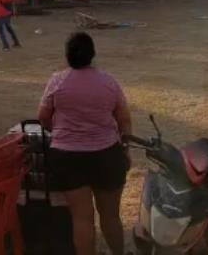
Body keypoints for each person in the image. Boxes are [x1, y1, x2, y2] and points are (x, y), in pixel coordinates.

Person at [37, 32, 132, 255]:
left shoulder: (57, 81)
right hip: (107, 155)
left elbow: (42, 117)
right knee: (110, 216)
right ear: (92, 55)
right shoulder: (109, 82)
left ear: (67, 56)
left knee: (82, 218)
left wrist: (59, 132)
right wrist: (125, 149)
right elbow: (124, 120)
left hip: (68, 158)